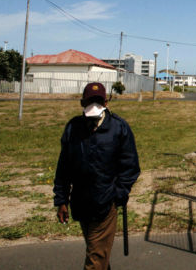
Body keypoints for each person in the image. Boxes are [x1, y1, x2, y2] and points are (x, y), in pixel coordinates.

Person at [54, 82, 140, 270]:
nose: (94, 104)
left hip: (105, 205)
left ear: (106, 102)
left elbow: (131, 166)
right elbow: (64, 168)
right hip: (81, 204)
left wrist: (118, 194)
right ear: (81, 102)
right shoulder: (73, 128)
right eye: (90, 100)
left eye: (98, 100)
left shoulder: (118, 128)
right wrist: (62, 200)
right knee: (98, 253)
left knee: (95, 260)